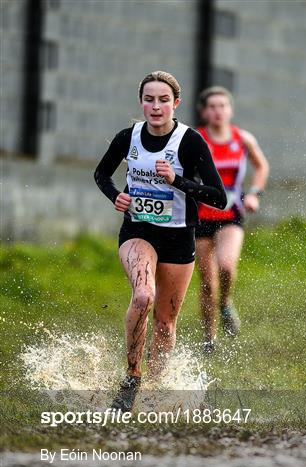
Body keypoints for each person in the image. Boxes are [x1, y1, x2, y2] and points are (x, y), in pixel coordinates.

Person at [94, 71, 226, 411]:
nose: (156, 106)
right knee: (143, 295)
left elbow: (218, 197)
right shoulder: (129, 137)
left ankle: (153, 391)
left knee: (166, 324)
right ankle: (132, 377)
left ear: (175, 103)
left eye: (163, 100)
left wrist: (177, 180)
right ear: (141, 103)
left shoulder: (190, 142)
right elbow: (101, 173)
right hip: (138, 231)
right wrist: (115, 196)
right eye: (149, 99)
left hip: (179, 237)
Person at [195, 87, 269, 353]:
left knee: (226, 265)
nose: (217, 111)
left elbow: (261, 166)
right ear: (204, 111)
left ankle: (225, 304)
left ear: (230, 110)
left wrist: (254, 194)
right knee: (206, 281)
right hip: (201, 215)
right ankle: (209, 338)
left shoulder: (242, 138)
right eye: (212, 106)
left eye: (222, 106)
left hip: (231, 212)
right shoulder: (196, 138)